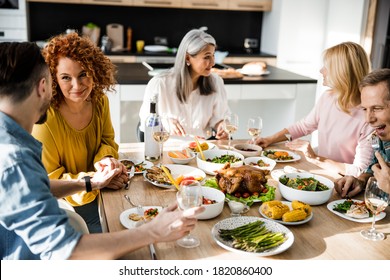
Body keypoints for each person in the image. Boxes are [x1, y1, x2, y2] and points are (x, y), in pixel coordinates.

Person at [0, 41, 204, 260]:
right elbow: (67, 251)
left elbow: (34, 187)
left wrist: (90, 182)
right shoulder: (14, 158)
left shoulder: (10, 145)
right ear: (44, 86)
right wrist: (153, 232)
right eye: (59, 79)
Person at [31, 32, 127, 233]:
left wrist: (107, 163)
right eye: (66, 78)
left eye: (83, 74)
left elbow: (107, 141)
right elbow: (50, 181)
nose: (78, 85)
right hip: (68, 207)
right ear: (53, 79)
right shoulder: (45, 120)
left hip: (99, 189)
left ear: (94, 71)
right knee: (123, 230)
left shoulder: (100, 100)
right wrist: (97, 180)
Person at [254, 42, 373, 177]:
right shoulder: (328, 97)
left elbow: (360, 171)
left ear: (342, 72)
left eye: (327, 67)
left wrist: (316, 158)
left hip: (342, 181)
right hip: (320, 170)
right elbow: (303, 128)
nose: (321, 70)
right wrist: (270, 139)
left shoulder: (368, 117)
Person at [139, 29, 230, 140]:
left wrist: (222, 127)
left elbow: (220, 118)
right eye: (207, 57)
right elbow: (145, 122)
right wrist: (165, 122)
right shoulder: (160, 84)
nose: (213, 63)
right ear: (187, 58)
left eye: (213, 55)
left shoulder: (216, 82)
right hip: (170, 149)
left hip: (203, 150)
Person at [335, 69, 390, 197]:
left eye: (377, 108)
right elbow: (373, 170)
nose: (368, 119)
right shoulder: (379, 137)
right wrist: (361, 180)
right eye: (365, 109)